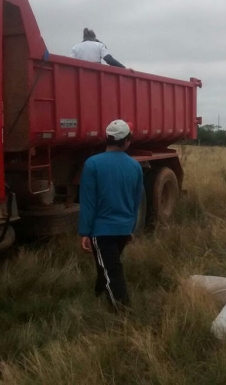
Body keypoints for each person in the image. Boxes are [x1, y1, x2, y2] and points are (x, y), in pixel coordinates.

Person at [79, 119, 143, 312]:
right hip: (123, 228)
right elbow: (135, 202)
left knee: (111, 270)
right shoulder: (135, 166)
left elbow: (88, 202)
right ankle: (98, 295)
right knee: (107, 264)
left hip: (102, 230)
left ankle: (122, 312)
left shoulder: (92, 164)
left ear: (107, 139)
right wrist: (131, 229)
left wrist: (84, 232)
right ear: (127, 141)